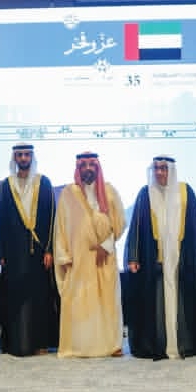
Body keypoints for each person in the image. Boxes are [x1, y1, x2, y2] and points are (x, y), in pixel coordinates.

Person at [124, 156, 196, 360]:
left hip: (182, 262)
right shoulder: (145, 193)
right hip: (155, 262)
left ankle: (184, 345)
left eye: (164, 168)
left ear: (172, 170)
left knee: (183, 306)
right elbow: (136, 227)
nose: (160, 172)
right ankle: (158, 345)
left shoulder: (185, 192)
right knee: (157, 307)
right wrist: (133, 256)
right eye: (157, 168)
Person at [53, 152, 126, 358]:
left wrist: (106, 246)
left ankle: (111, 345)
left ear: (97, 167)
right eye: (83, 165)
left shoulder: (109, 191)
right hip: (79, 258)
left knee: (107, 301)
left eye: (91, 165)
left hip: (105, 257)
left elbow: (120, 223)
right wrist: (63, 257)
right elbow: (60, 227)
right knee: (81, 301)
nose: (87, 169)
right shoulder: (69, 193)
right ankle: (81, 346)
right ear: (78, 168)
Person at [0, 143, 59, 356]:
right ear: (14, 158)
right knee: (16, 297)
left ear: (32, 157)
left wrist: (50, 249)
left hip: (39, 252)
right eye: (19, 155)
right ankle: (17, 342)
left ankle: (40, 342)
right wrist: (1, 252)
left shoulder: (44, 182)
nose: (23, 158)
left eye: (26, 155)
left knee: (39, 297)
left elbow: (52, 217)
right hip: (14, 252)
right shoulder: (7, 185)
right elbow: (1, 219)